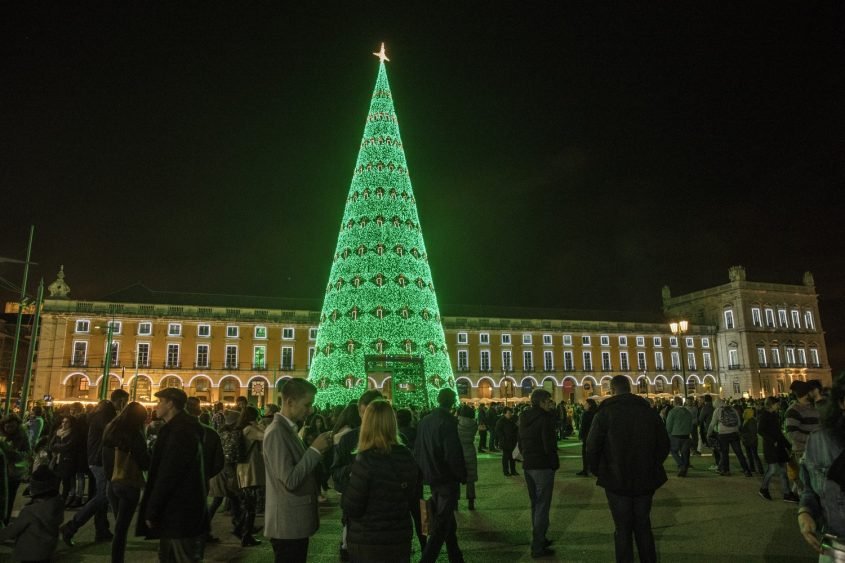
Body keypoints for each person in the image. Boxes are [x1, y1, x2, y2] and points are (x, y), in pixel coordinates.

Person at [587, 375, 670, 563]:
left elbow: (592, 447)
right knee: (643, 526)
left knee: (622, 529)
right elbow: (664, 444)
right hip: (645, 477)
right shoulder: (648, 412)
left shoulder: (604, 413)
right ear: (629, 388)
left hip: (616, 479)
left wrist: (601, 470)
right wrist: (652, 464)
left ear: (612, 390)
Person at [342, 400, 421, 563]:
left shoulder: (365, 460)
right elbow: (411, 495)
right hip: (399, 537)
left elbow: (353, 507)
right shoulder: (406, 455)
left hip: (368, 539)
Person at [263, 377, 333, 563]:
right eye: (307, 405)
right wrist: (315, 450)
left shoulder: (288, 429)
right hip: (287, 526)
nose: (310, 410)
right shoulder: (277, 432)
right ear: (290, 402)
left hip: (293, 523)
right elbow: (290, 479)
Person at [137, 387, 209, 562]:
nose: (156, 406)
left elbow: (168, 473)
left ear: (170, 404)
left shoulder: (179, 432)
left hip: (179, 511)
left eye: (160, 401)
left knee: (182, 557)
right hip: (177, 510)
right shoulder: (181, 428)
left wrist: (152, 509)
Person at [59, 388, 128, 545]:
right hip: (100, 459)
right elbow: (113, 434)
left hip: (97, 458)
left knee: (102, 496)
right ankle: (71, 527)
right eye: (126, 401)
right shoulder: (106, 414)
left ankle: (102, 530)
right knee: (103, 496)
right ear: (120, 400)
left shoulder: (102, 411)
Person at [414, 388, 466, 563]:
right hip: (446, 477)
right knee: (442, 523)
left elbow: (418, 449)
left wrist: (422, 471)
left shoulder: (424, 420)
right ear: (452, 401)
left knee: (447, 518)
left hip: (430, 475)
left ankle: (456, 557)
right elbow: (452, 453)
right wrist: (461, 474)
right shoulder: (447, 422)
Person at [332, 390, 383, 561]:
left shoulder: (396, 441)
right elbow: (336, 474)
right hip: (357, 514)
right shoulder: (349, 440)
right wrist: (352, 471)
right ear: (361, 411)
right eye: (371, 410)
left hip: (386, 517)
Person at [798, 372, 845, 558]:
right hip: (836, 546)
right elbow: (810, 489)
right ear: (841, 402)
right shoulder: (819, 441)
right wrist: (806, 512)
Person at [102, 401, 151, 563]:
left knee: (119, 525)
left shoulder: (110, 429)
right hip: (128, 483)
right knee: (121, 530)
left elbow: (104, 456)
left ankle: (116, 559)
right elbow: (144, 462)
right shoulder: (134, 434)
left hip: (112, 483)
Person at [518, 389, 559, 559]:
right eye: (548, 401)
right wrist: (554, 464)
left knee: (536, 504)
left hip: (529, 465)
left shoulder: (524, 417)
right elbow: (549, 445)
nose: (550, 404)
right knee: (542, 506)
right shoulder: (545, 419)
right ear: (541, 402)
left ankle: (540, 537)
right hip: (542, 466)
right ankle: (537, 546)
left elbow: (520, 441)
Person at [0, 465, 64, 562]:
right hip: (47, 552)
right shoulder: (57, 503)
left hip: (28, 555)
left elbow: (12, 531)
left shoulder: (29, 512)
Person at [236, 405, 266, 547]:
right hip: (248, 471)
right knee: (250, 504)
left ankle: (240, 530)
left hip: (246, 469)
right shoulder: (249, 429)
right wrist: (259, 425)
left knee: (249, 503)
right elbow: (265, 435)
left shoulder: (245, 428)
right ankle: (246, 536)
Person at [758, 396, 797, 502]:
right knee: (772, 469)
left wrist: (788, 445)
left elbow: (779, 433)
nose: (778, 406)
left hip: (778, 447)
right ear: (771, 405)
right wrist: (772, 441)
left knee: (783, 471)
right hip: (771, 447)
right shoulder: (764, 415)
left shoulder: (774, 415)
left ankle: (787, 493)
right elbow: (760, 430)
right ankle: (763, 489)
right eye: (776, 404)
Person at [786, 380, 820, 493]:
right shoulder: (793, 410)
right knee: (806, 485)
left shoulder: (813, 407)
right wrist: (813, 439)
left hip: (816, 449)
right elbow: (792, 434)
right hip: (802, 452)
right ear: (806, 394)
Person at [0, 413, 33, 524]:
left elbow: (26, 453)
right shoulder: (2, 434)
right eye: (7, 426)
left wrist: (9, 450)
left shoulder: (21, 435)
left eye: (12, 427)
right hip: (4, 470)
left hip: (14, 473)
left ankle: (5, 521)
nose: (9, 429)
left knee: (8, 498)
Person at [708, 398, 752, 477]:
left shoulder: (717, 411)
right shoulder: (733, 409)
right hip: (734, 433)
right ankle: (747, 470)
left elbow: (712, 424)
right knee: (739, 453)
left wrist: (708, 433)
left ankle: (726, 470)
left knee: (725, 453)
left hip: (723, 434)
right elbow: (739, 422)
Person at [456, 405, 479, 510]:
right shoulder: (474, 424)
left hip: (458, 450)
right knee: (470, 478)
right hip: (469, 450)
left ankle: (455, 502)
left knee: (455, 476)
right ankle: (471, 500)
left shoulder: (456, 422)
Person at [665, 396, 694, 477]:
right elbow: (691, 424)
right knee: (685, 452)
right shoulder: (687, 412)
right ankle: (685, 467)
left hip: (675, 435)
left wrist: (668, 432)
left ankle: (681, 465)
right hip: (686, 435)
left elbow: (668, 425)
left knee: (673, 450)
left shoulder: (672, 412)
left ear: (675, 403)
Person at [495, 407, 519, 477]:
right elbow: (498, 431)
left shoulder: (512, 420)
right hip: (505, 442)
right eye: (509, 413)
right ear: (504, 413)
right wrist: (503, 439)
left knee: (512, 457)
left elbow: (515, 429)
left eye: (511, 413)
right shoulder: (500, 421)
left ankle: (513, 471)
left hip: (512, 441)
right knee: (505, 458)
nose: (510, 414)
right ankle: (506, 471)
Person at [576, 399, 597, 476]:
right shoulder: (596, 413)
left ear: (590, 405)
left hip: (586, 436)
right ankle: (592, 469)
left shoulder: (586, 414)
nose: (584, 405)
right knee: (593, 453)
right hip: (594, 436)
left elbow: (583, 426)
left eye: (586, 404)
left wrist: (581, 435)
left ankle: (585, 470)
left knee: (585, 453)